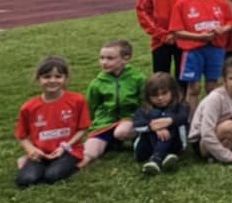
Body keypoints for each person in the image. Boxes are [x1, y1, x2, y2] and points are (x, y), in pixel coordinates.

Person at [169, 0, 232, 112]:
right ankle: (192, 120)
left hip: (215, 49)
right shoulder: (182, 3)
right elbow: (176, 30)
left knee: (213, 87)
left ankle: (211, 117)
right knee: (194, 87)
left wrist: (222, 29)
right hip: (193, 50)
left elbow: (230, 22)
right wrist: (198, 37)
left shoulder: (219, 3)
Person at [14, 55, 89, 186]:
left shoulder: (77, 100)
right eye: (47, 77)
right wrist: (32, 150)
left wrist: (65, 147)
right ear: (38, 79)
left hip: (69, 151)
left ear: (66, 78)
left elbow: (83, 128)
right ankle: (27, 160)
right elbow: (22, 136)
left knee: (52, 176)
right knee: (25, 180)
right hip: (41, 153)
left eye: (58, 76)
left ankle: (81, 162)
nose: (52, 80)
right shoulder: (29, 107)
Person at [82, 37, 147, 163]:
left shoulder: (138, 78)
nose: (104, 62)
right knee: (89, 154)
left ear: (126, 59)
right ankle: (111, 142)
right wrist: (88, 126)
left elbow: (145, 102)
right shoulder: (97, 83)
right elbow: (90, 107)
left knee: (121, 132)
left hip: (129, 119)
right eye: (102, 58)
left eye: (110, 58)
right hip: (104, 123)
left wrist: (142, 119)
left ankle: (142, 136)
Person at [130, 72, 188, 172]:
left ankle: (157, 159)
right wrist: (153, 127)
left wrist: (170, 121)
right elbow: (137, 124)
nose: (160, 98)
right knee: (154, 114)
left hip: (174, 146)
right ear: (148, 96)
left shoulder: (180, 106)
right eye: (155, 95)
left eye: (164, 93)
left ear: (173, 92)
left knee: (170, 122)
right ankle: (160, 157)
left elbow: (183, 118)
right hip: (145, 149)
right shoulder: (144, 109)